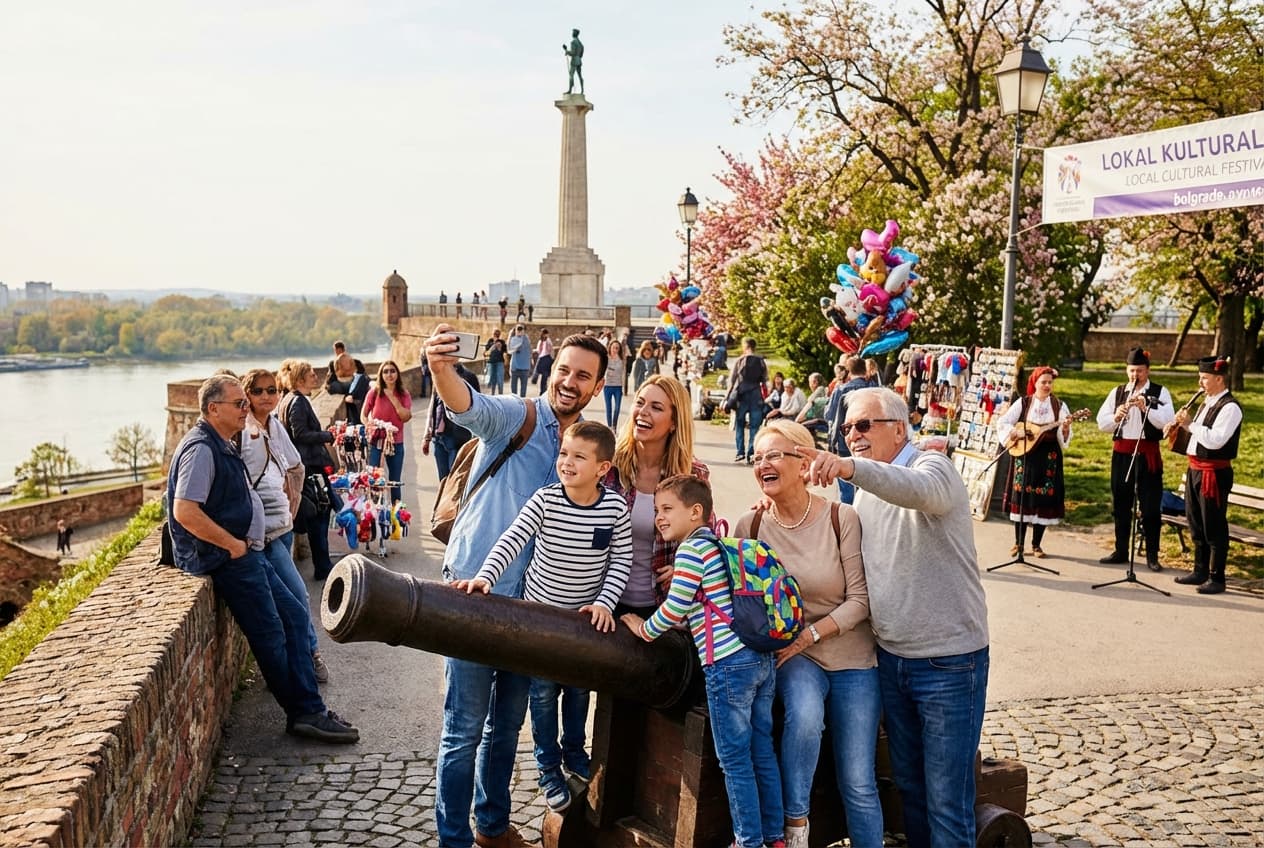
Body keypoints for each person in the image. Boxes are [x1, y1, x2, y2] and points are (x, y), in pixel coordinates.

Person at [424, 326, 607, 848]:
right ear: (552, 368)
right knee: (463, 729)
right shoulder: (518, 416)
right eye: (565, 370)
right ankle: (453, 840)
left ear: (596, 387)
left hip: (534, 606)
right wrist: (440, 370)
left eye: (583, 377)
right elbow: (470, 408)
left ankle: (492, 827)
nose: (570, 382)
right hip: (476, 590)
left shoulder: (580, 443)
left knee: (505, 727)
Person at [803, 387, 988, 848]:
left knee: (947, 800)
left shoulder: (930, 465)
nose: (853, 435)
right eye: (847, 429)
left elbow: (920, 492)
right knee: (911, 792)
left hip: (948, 661)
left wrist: (850, 467)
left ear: (899, 428)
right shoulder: (867, 490)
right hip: (892, 659)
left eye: (863, 425)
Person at [167, 375, 357, 743]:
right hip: (229, 559)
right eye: (239, 403)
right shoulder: (201, 449)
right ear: (212, 409)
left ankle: (309, 708)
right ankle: (305, 712)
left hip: (246, 553)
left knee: (295, 615)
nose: (246, 409)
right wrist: (233, 545)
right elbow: (185, 510)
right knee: (271, 632)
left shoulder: (220, 442)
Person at [455, 421, 631, 814]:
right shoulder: (545, 499)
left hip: (583, 625)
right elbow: (512, 539)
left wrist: (605, 602)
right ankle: (548, 767)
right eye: (564, 453)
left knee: (580, 693)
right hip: (542, 623)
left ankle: (574, 752)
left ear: (603, 468)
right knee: (543, 696)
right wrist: (485, 577)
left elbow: (620, 561)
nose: (566, 462)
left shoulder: (615, 507)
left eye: (578, 457)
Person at [736, 421, 881, 848]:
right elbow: (735, 591)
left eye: (775, 455)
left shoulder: (841, 517)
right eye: (758, 457)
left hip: (852, 655)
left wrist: (809, 635)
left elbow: (860, 601)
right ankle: (794, 829)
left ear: (804, 464)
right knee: (803, 718)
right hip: (795, 657)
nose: (763, 463)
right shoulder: (752, 526)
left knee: (858, 779)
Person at [622, 476, 784, 848]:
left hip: (727, 664)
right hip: (759, 659)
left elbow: (676, 605)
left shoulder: (692, 550)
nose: (658, 518)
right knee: (761, 750)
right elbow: (705, 607)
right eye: (657, 510)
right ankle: (774, 837)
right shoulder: (717, 546)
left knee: (734, 759)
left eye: (667, 509)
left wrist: (643, 628)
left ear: (696, 512)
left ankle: (748, 841)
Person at [238, 368, 329, 684]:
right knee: (291, 598)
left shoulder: (274, 425)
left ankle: (306, 657)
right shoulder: (241, 430)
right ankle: (304, 659)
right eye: (259, 391)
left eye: (271, 390)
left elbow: (295, 465)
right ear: (247, 395)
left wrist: (291, 502)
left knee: (291, 598)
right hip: (258, 533)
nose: (266, 396)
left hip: (281, 527)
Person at [603, 375, 709, 617]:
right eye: (640, 403)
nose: (643, 412)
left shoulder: (693, 476)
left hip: (664, 609)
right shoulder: (607, 466)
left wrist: (686, 569)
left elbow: (705, 542)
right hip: (601, 602)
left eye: (656, 407)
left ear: (674, 422)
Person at [1167, 355, 1243, 595]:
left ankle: (1216, 577)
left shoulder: (1230, 407)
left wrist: (1190, 425)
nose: (1200, 383)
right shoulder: (1205, 403)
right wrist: (1176, 428)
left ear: (1219, 379)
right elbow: (1196, 439)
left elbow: (1216, 440)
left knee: (1214, 524)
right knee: (1195, 521)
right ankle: (1199, 570)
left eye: (1204, 378)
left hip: (1214, 473)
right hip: (1195, 470)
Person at [1096, 347, 1174, 570]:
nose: (1135, 376)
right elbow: (1102, 423)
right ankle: (1121, 550)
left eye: (1139, 371)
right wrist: (1116, 416)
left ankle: (1152, 555)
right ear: (1126, 370)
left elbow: (1166, 423)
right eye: (1131, 371)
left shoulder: (1160, 392)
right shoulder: (1118, 392)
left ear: (1147, 371)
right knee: (1121, 503)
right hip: (1122, 453)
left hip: (1147, 454)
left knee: (1150, 507)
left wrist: (1146, 408)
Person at [995, 366, 1071, 558]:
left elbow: (1064, 436)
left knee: (1043, 499)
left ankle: (1036, 545)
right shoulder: (1024, 403)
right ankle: (1018, 543)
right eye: (1043, 382)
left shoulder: (1059, 406)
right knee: (1021, 497)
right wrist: (1014, 432)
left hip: (1048, 458)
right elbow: (1003, 423)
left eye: (1049, 382)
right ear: (1035, 383)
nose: (1047, 385)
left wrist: (1066, 429)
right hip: (1025, 456)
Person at [279, 360, 337, 581]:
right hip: (310, 466)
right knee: (319, 516)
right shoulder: (298, 402)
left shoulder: (290, 399)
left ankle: (323, 563)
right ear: (301, 378)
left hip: (306, 465)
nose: (316, 376)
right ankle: (323, 566)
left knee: (319, 514)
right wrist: (327, 436)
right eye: (311, 374)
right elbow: (300, 433)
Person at [361, 361, 413, 504]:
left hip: (396, 443)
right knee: (375, 478)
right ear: (381, 375)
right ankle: (374, 513)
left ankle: (397, 516)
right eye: (385, 371)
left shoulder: (404, 394)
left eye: (392, 371)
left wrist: (392, 398)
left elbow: (406, 417)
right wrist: (369, 426)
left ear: (397, 374)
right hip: (377, 443)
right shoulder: (374, 392)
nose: (389, 374)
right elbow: (364, 414)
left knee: (395, 481)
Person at [823, 358, 872, 505]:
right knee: (869, 482)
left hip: (846, 439)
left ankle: (847, 518)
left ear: (849, 371)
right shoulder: (876, 389)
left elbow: (830, 415)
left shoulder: (841, 389)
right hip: (871, 440)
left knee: (846, 484)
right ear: (865, 370)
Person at [423, 364, 480, 480]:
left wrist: (475, 438)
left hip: (458, 438)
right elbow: (433, 404)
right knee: (443, 480)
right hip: (439, 437)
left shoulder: (469, 377)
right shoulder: (439, 375)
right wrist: (427, 436)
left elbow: (478, 408)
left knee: (455, 480)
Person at [725, 337, 768, 464]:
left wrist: (727, 397)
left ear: (745, 346)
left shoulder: (740, 360)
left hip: (741, 395)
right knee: (755, 427)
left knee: (740, 424)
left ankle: (740, 452)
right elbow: (765, 379)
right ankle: (751, 453)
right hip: (756, 395)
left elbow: (732, 380)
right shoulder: (760, 361)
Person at [603, 339, 626, 428]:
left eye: (617, 348)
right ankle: (610, 427)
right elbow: (605, 370)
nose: (615, 350)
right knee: (609, 408)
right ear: (610, 348)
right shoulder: (606, 358)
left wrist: (610, 369)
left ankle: (614, 425)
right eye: (614, 347)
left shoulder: (621, 359)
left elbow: (620, 371)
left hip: (618, 386)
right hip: (607, 386)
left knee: (617, 408)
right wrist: (610, 370)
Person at [508, 324, 532, 398]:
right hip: (515, 367)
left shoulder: (526, 339)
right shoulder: (513, 339)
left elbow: (528, 346)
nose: (519, 330)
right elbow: (509, 350)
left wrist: (522, 333)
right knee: (513, 391)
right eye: (518, 329)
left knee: (523, 392)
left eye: (521, 329)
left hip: (524, 368)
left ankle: (522, 406)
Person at [484, 330, 507, 395]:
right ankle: (492, 395)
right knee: (492, 380)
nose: (496, 335)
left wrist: (500, 347)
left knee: (500, 380)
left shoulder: (502, 342)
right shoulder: (490, 340)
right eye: (495, 333)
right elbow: (487, 350)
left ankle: (500, 395)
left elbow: (505, 351)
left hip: (499, 362)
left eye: (497, 334)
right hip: (491, 362)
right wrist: (493, 344)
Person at [563, 28, 584, 94]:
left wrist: (566, 51)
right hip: (579, 60)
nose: (572, 33)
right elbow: (581, 54)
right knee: (580, 75)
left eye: (573, 32)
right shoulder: (581, 44)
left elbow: (573, 53)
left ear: (575, 33)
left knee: (571, 75)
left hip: (574, 60)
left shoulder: (573, 42)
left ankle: (570, 90)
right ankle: (582, 90)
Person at [533, 329, 554, 395]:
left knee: (543, 375)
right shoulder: (545, 341)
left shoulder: (545, 341)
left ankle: (542, 390)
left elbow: (541, 350)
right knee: (543, 376)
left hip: (544, 358)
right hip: (545, 358)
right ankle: (542, 390)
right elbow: (550, 350)